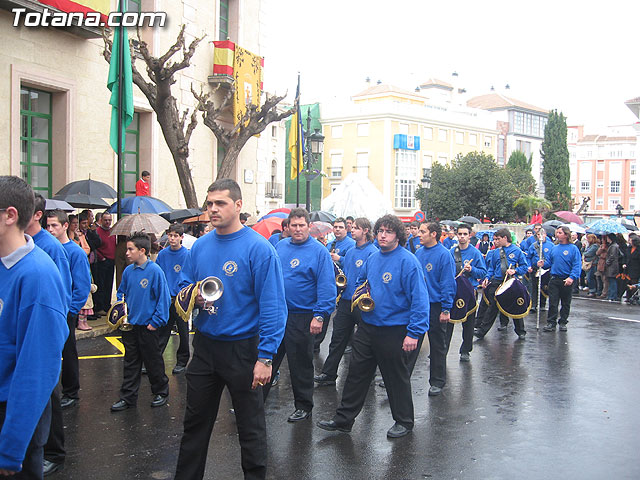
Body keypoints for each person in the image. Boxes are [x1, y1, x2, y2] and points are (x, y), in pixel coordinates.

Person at [174, 179, 286, 480]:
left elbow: (274, 305)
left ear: (238, 206)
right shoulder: (199, 246)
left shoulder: (259, 249)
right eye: (209, 204)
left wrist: (265, 358)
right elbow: (183, 285)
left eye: (220, 203)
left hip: (244, 350)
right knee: (194, 426)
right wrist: (193, 295)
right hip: (206, 347)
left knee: (250, 428)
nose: (213, 209)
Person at [316, 214, 429, 439]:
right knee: (356, 375)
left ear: (398, 235)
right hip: (368, 327)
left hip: (394, 330)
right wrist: (362, 295)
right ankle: (344, 419)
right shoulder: (374, 258)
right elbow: (360, 282)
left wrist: (414, 333)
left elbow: (419, 299)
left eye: (389, 231)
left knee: (395, 377)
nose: (383, 235)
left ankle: (404, 421)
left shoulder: (408, 261)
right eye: (380, 231)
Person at [0, 177, 68, 479]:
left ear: (10, 215)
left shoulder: (38, 274)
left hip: (12, 418)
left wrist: (10, 448)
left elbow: (36, 370)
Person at [262, 208, 335, 422]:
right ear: (287, 227)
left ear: (309, 227)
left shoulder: (319, 251)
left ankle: (304, 405)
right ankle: (255, 403)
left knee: (300, 364)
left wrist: (319, 315)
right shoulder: (280, 246)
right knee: (267, 359)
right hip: (278, 314)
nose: (297, 229)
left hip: (303, 316)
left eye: (302, 225)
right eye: (293, 225)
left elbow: (326, 286)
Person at [25, 195, 72, 477]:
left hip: (46, 331)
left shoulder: (50, 249)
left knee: (49, 394)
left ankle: (54, 452)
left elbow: (63, 293)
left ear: (36, 215)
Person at [110, 232, 170, 412]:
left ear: (142, 250)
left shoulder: (154, 271)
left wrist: (156, 321)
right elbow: (122, 292)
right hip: (131, 325)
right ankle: (127, 397)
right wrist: (120, 311)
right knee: (130, 362)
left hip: (148, 326)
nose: (127, 253)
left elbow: (163, 299)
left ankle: (160, 391)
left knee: (153, 361)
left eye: (130, 249)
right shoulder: (129, 271)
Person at [314, 217, 378, 386]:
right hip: (345, 301)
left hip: (362, 303)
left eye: (356, 228)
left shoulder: (372, 252)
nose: (352, 230)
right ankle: (329, 374)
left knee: (364, 342)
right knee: (337, 339)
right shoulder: (351, 252)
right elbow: (344, 267)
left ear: (365, 230)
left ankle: (367, 374)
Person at [45, 210, 91, 407]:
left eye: (54, 225)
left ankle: (71, 391)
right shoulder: (47, 248)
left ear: (65, 226)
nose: (50, 230)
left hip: (66, 311)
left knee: (68, 350)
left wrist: (71, 311)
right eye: (47, 226)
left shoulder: (75, 252)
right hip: (50, 309)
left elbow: (82, 286)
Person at [415, 222, 456, 395]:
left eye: (423, 232)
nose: (419, 234)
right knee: (412, 342)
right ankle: (400, 377)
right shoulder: (418, 253)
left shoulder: (444, 255)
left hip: (436, 306)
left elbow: (447, 283)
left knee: (437, 344)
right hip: (418, 305)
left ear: (433, 234)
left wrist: (446, 309)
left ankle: (437, 381)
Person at [474, 228, 529, 340]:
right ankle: (482, 331)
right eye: (495, 239)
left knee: (515, 305)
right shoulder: (495, 252)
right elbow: (491, 268)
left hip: (510, 282)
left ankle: (520, 331)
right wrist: (487, 278)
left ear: (505, 238)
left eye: (498, 239)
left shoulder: (517, 251)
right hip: (497, 282)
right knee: (493, 307)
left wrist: (515, 271)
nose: (496, 241)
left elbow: (524, 266)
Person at [446, 223, 487, 363]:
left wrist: (472, 270)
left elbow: (483, 272)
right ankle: (443, 349)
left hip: (470, 291)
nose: (462, 237)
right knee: (448, 322)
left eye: (465, 234)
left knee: (468, 323)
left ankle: (465, 350)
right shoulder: (451, 252)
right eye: (460, 234)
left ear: (469, 236)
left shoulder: (475, 253)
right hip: (454, 291)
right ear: (457, 235)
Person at [156, 223, 191, 374]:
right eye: (170, 235)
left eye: (176, 236)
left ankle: (182, 361)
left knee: (183, 332)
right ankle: (155, 360)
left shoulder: (187, 255)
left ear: (181, 237)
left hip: (181, 299)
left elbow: (190, 275)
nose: (172, 238)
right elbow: (158, 274)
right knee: (162, 331)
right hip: (166, 298)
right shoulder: (163, 254)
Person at [542, 226, 582, 331]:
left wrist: (572, 277)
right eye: (557, 232)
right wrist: (542, 264)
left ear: (566, 235)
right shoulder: (554, 248)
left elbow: (577, 265)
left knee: (565, 303)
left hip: (567, 279)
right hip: (555, 278)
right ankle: (551, 322)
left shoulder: (573, 249)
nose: (557, 234)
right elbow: (548, 263)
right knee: (553, 302)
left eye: (559, 232)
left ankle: (563, 322)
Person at [93, 212, 116, 315]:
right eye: (106, 220)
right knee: (101, 285)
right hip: (102, 261)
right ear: (101, 220)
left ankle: (107, 305)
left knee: (109, 284)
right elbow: (95, 247)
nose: (108, 222)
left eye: (109, 220)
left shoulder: (112, 232)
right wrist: (101, 258)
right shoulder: (97, 232)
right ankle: (100, 306)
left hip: (111, 261)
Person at [527, 229, 554, 313]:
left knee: (544, 287)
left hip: (546, 270)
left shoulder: (551, 245)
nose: (540, 236)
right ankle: (534, 305)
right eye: (538, 235)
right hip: (535, 269)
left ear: (545, 235)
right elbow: (528, 257)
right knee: (534, 287)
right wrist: (529, 266)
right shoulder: (533, 245)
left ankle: (542, 304)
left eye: (542, 234)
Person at [604, 234, 620, 302]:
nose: (607, 239)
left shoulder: (613, 246)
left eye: (607, 238)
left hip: (612, 266)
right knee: (611, 280)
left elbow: (612, 256)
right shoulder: (614, 245)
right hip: (613, 265)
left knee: (612, 280)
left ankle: (612, 296)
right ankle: (611, 295)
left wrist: (607, 263)